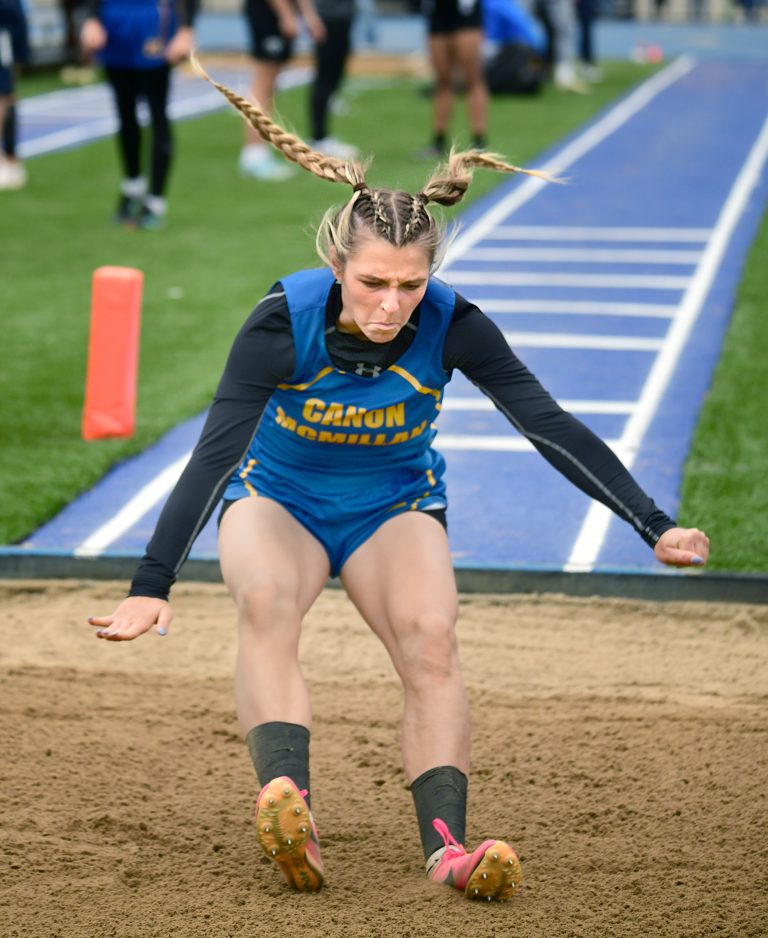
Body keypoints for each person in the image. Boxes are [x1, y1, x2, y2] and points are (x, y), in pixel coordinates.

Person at [87, 57, 711, 902]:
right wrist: (150, 585)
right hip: (280, 499)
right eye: (372, 283)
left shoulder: (454, 324)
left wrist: (653, 523)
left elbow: (549, 425)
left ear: (432, 276)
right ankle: (290, 809)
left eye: (410, 286)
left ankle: (448, 848)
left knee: (432, 639)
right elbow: (216, 456)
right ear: (337, 264)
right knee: (266, 605)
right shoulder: (281, 324)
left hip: (393, 504)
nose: (390, 305)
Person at [80, 0, 197, 229]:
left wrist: (186, 29)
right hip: (114, 24)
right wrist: (91, 18)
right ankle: (132, 188)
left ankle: (155, 201)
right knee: (124, 113)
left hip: (153, 22)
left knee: (157, 114)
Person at [240, 0, 325, 180]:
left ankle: (259, 151)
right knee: (264, 80)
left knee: (270, 82)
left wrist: (308, 15)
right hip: (268, 12)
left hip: (280, 12)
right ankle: (253, 154)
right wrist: (286, 14)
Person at [419, 0, 488, 158]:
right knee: (442, 80)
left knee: (472, 78)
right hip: (438, 13)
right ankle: (438, 142)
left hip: (465, 14)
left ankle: (479, 142)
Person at [308, 0, 358, 159]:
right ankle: (319, 138)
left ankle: (321, 137)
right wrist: (311, 17)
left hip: (341, 16)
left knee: (334, 76)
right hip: (326, 18)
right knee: (325, 78)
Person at [0, 0, 29, 191]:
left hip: (5, 36)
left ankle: (10, 158)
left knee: (6, 96)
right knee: (5, 96)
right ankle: (8, 159)